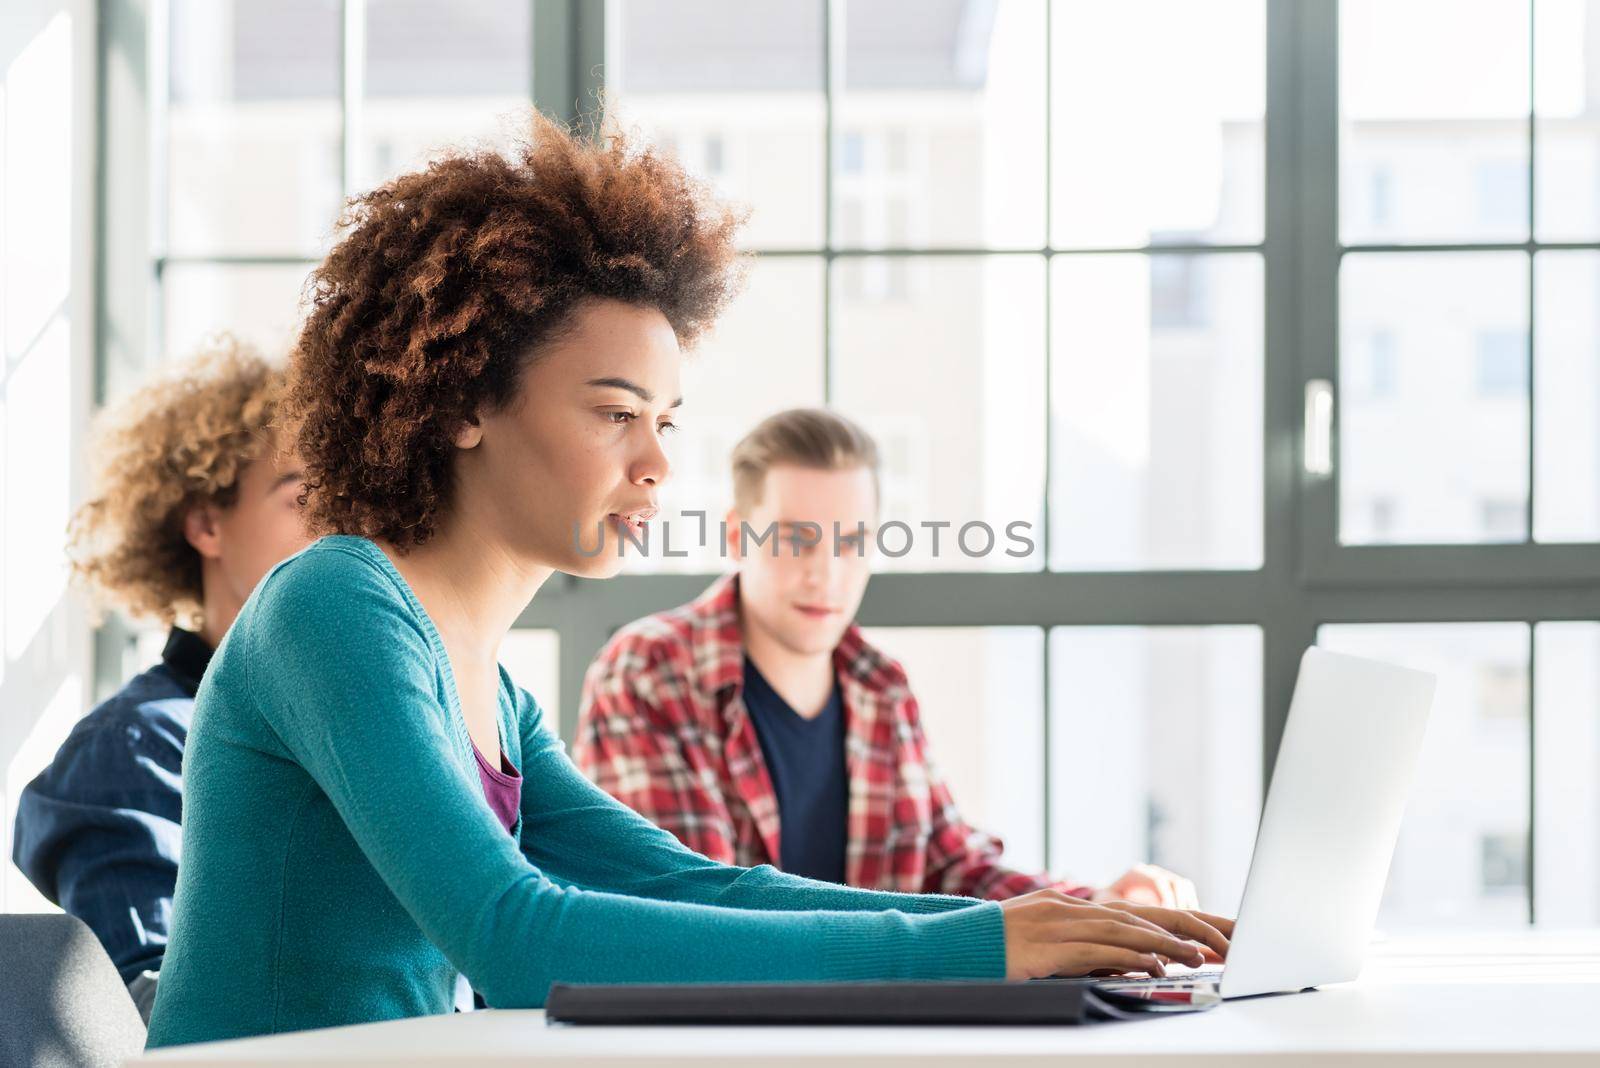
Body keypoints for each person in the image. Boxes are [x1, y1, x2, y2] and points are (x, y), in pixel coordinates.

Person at [144, 116, 1231, 1049]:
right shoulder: (332, 606)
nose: (658, 464)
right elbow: (516, 937)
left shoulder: (492, 690)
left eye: (665, 422)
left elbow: (697, 885)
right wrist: (976, 946)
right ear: (465, 402)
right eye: (615, 414)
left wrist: (1028, 928)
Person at [574, 409, 1199, 907]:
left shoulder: (879, 685)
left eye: (852, 542)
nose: (826, 574)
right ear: (739, 535)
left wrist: (1101, 908)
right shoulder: (648, 671)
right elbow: (697, 907)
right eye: (795, 540)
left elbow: (954, 867)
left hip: (874, 1030)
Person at [11, 339, 310, 1021]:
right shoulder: (135, 746)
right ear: (207, 522)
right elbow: (148, 1012)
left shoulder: (367, 723)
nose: (342, 529)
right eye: (304, 497)